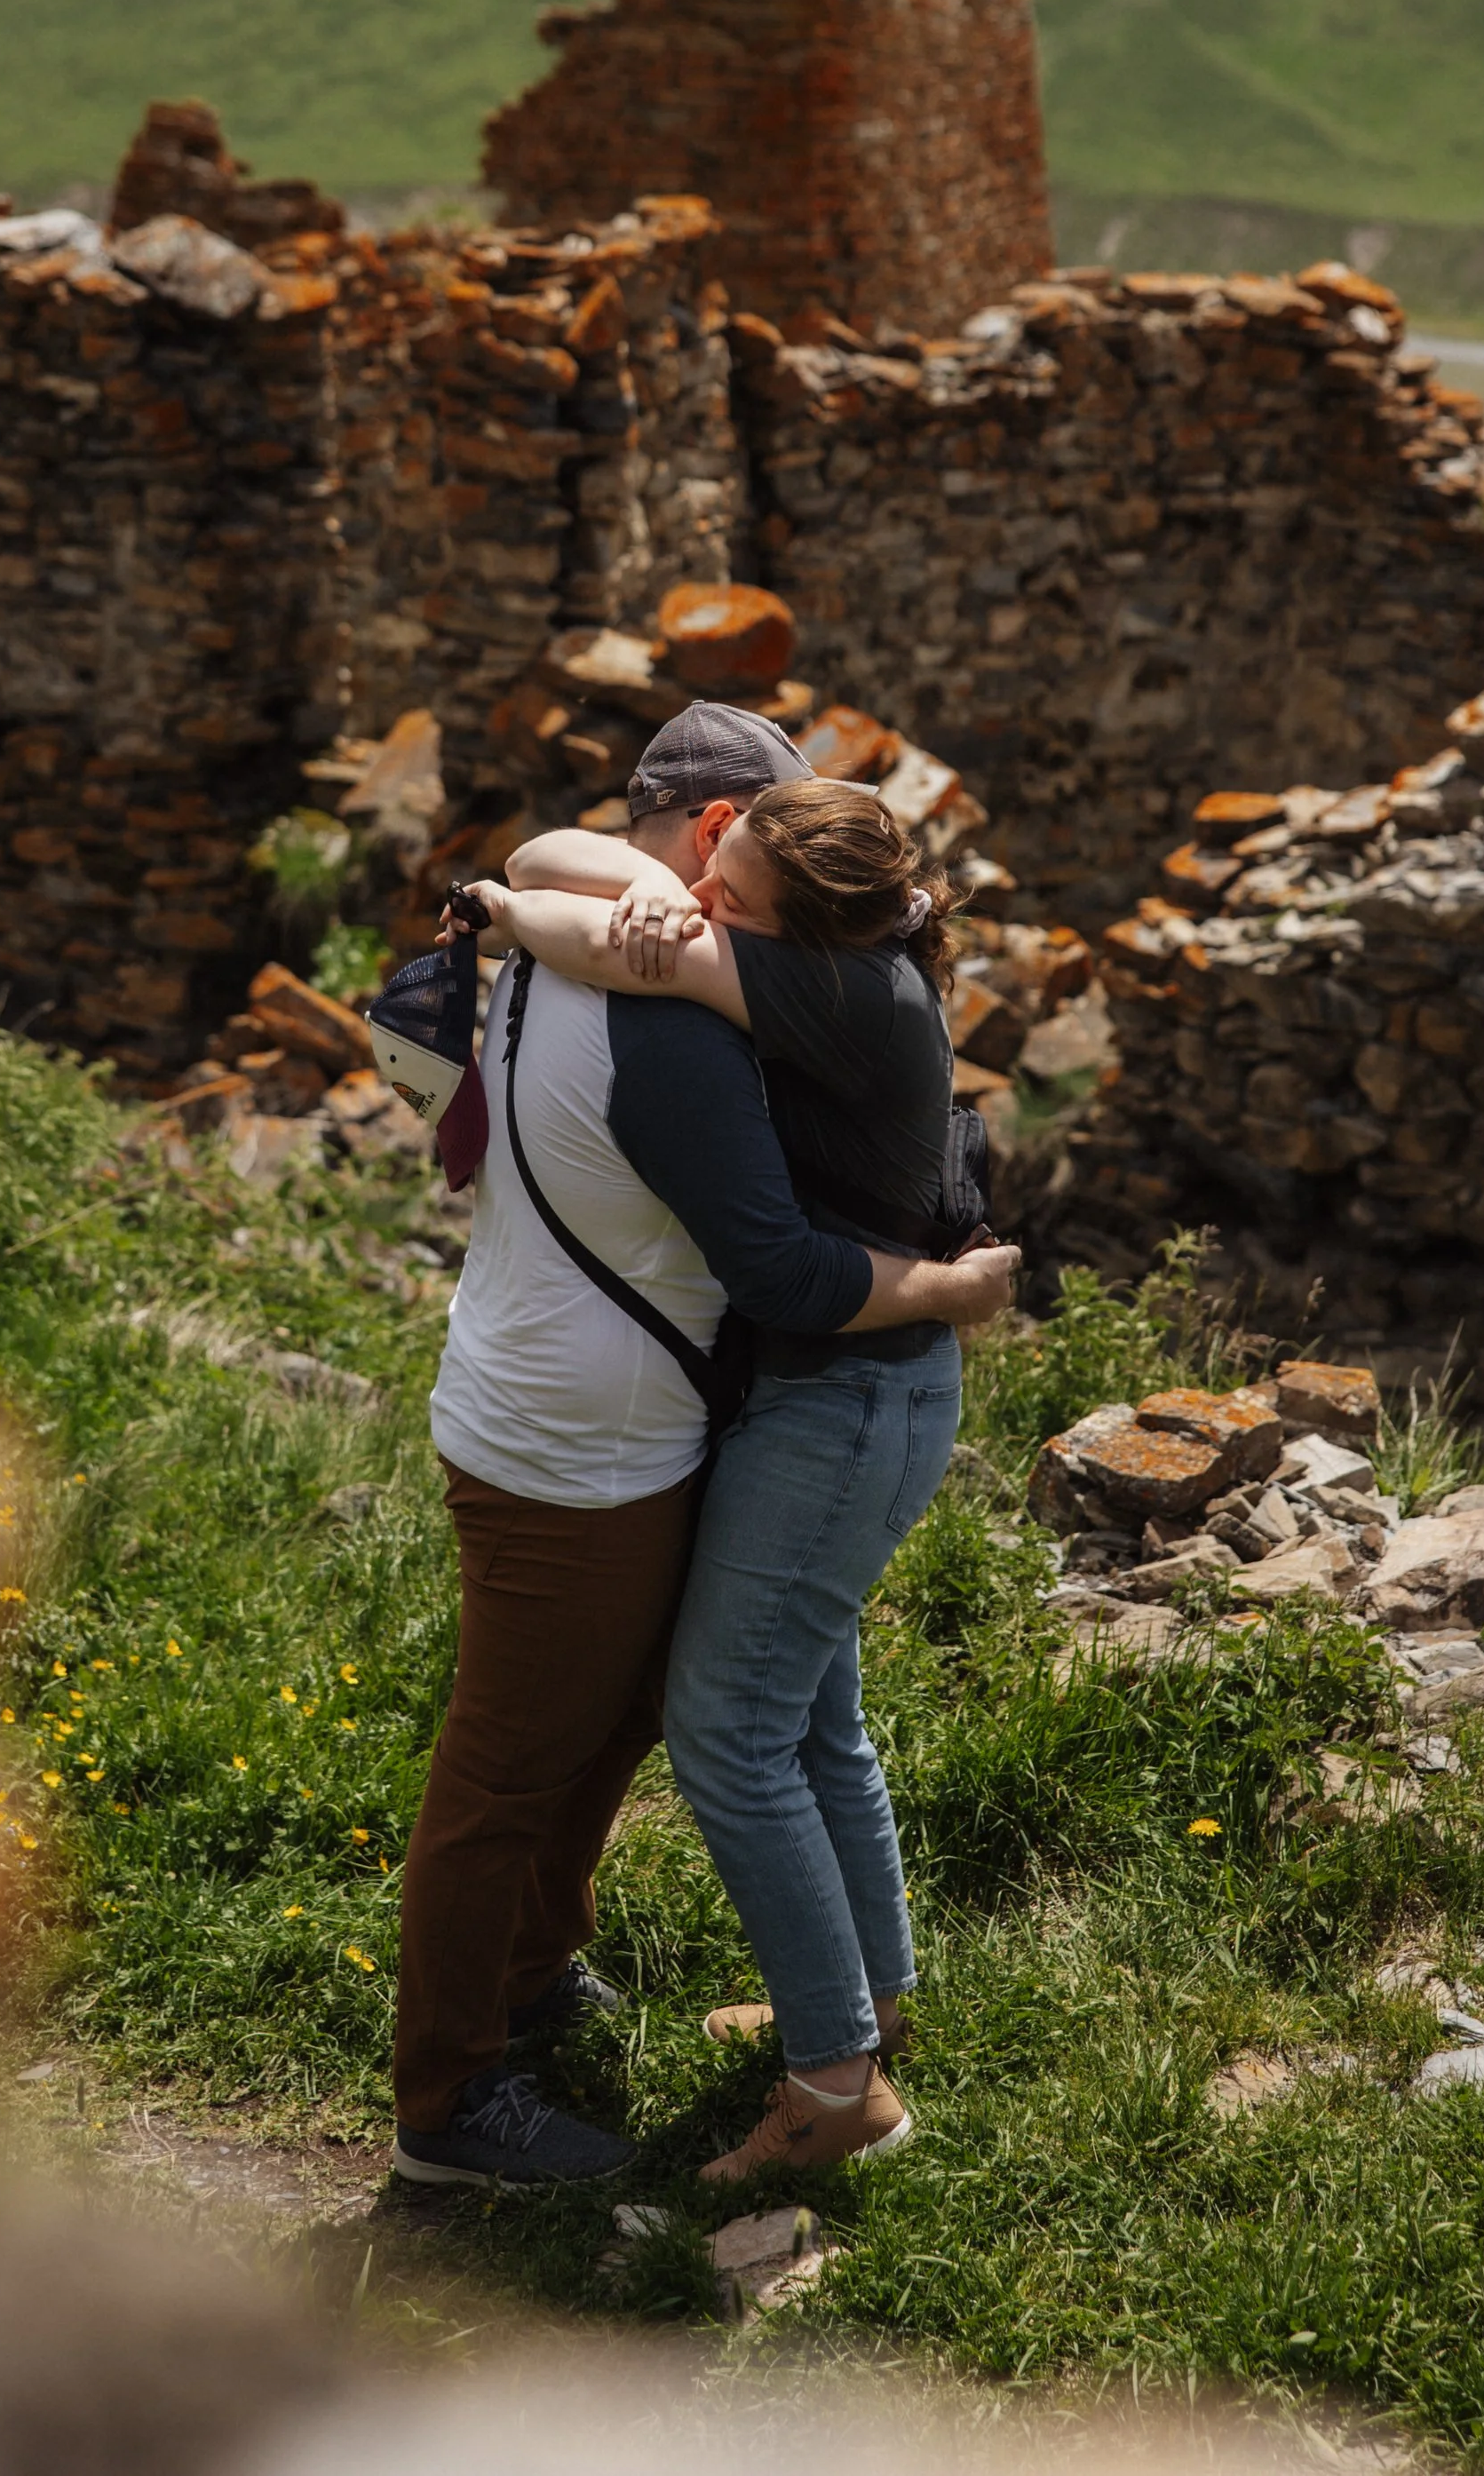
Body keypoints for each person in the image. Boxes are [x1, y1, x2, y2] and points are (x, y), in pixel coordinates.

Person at [391, 707, 1016, 2191]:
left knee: (624, 1728)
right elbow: (784, 1269)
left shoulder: (621, 944)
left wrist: (519, 886)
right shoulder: (665, 993)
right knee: (521, 1763)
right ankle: (450, 2102)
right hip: (583, 1444)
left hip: (594, 1410)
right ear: (719, 830)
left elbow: (555, 860)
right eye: (754, 831)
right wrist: (952, 1288)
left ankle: (571, 1986)